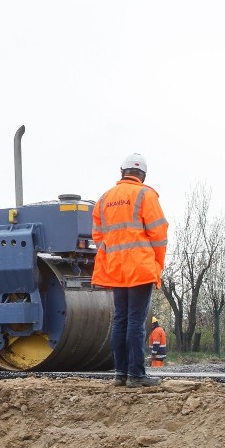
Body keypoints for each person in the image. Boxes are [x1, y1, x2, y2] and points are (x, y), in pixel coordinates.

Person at [92, 153, 168, 388]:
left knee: (120, 320)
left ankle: (121, 374)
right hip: (140, 268)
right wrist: (156, 266)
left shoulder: (105, 198)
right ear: (142, 175)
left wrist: (114, 257)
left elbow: (98, 236)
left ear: (121, 171)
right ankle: (136, 375)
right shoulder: (146, 194)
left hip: (115, 269)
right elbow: (159, 234)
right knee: (135, 321)